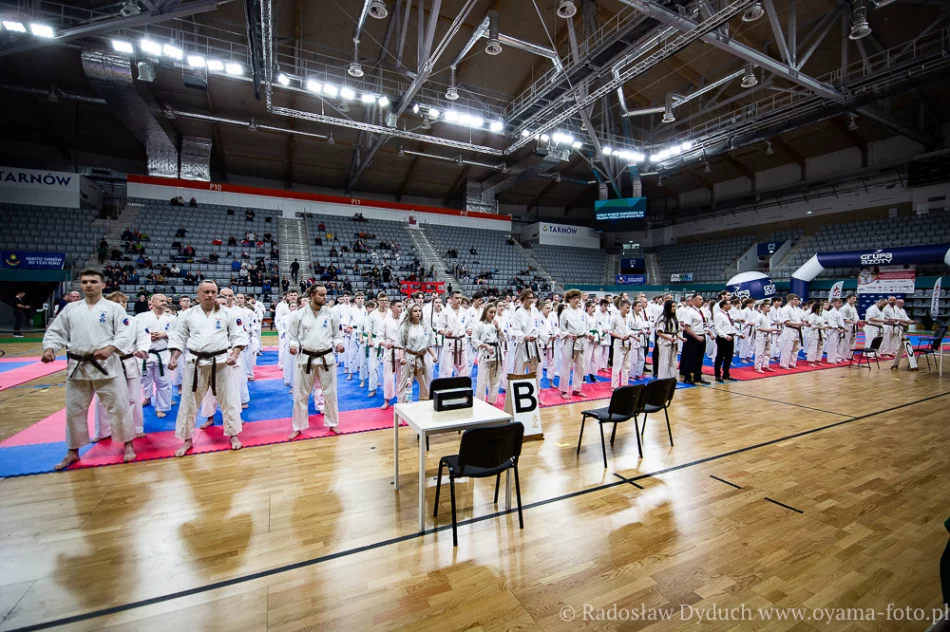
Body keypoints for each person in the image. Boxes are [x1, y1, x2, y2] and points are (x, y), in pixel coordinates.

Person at [41, 270, 138, 469]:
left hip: (107, 365)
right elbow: (56, 331)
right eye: (84, 282)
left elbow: (125, 333)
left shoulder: (114, 309)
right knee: (74, 410)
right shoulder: (70, 309)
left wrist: (111, 348)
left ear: (103, 285)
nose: (88, 285)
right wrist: (50, 348)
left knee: (119, 407)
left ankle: (128, 444)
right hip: (78, 365)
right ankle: (73, 451)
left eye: (93, 281)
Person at [167, 280, 247, 457]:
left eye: (213, 292)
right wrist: (174, 357)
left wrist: (234, 354)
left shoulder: (228, 314)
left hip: (221, 362)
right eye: (206, 292)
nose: (210, 295)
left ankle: (233, 434)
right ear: (198, 294)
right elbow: (178, 337)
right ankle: (187, 439)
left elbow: (238, 337)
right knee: (189, 402)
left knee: (229, 400)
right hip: (195, 363)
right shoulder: (187, 315)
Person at [286, 284, 345, 439]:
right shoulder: (298, 315)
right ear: (312, 295)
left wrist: (339, 344)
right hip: (306, 358)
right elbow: (292, 337)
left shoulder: (332, 314)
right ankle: (298, 426)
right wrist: (293, 346)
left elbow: (337, 334)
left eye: (325, 294)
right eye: (321, 295)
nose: (325, 297)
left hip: (326, 357)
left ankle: (333, 423)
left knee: (330, 393)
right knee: (301, 394)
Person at [136, 293, 174, 418]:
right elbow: (134, 332)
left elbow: (179, 334)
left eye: (165, 300)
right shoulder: (140, 317)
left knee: (163, 382)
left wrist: (165, 334)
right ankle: (147, 397)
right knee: (145, 379)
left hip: (163, 353)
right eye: (161, 300)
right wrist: (148, 336)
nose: (164, 302)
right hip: (146, 353)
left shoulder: (172, 318)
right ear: (152, 303)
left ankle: (160, 407)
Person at [396, 303, 436, 402]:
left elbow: (429, 344)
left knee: (425, 383)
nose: (418, 313)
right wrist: (402, 358)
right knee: (405, 383)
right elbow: (400, 345)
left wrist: (434, 355)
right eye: (415, 311)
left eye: (419, 311)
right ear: (410, 312)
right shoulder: (404, 326)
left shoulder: (426, 326)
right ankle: (401, 407)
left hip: (423, 357)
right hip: (409, 357)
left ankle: (424, 404)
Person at [558, 289, 592, 399]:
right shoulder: (565, 313)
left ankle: (577, 389)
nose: (577, 300)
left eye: (578, 298)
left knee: (581, 367)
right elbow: (562, 329)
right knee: (566, 366)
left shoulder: (582, 313)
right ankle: (564, 390)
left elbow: (585, 327)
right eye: (574, 298)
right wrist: (568, 334)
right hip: (570, 341)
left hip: (581, 341)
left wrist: (587, 334)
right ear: (569, 300)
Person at [472, 301, 504, 403]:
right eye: (491, 312)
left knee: (495, 380)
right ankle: (480, 402)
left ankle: (491, 401)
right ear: (485, 312)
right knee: (482, 380)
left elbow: (504, 338)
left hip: (497, 352)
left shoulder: (496, 324)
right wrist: (485, 345)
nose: (493, 314)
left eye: (494, 312)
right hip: (485, 353)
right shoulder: (479, 325)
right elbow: (474, 339)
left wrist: (498, 328)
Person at [436, 291, 471, 378]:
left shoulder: (465, 311)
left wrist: (469, 330)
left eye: (460, 298)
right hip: (450, 341)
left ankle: (462, 387)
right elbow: (439, 327)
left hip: (462, 341)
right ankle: (445, 389)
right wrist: (445, 332)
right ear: (451, 299)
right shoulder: (445, 312)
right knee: (447, 369)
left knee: (463, 368)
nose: (459, 300)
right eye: (456, 298)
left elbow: (468, 325)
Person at [678, 294, 709, 385]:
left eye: (702, 299)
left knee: (700, 358)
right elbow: (687, 327)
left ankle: (697, 376)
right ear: (694, 300)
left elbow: (703, 324)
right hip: (693, 337)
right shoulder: (690, 312)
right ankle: (687, 377)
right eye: (699, 299)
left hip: (701, 335)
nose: (701, 301)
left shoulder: (701, 311)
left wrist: (708, 333)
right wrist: (696, 337)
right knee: (690, 358)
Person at [379, 298, 404, 411]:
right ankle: (387, 400)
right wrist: (385, 344)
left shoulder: (404, 320)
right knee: (388, 377)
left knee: (401, 377)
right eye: (398, 306)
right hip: (389, 351)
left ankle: (401, 399)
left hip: (402, 351)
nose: (401, 308)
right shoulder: (385, 321)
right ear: (392, 307)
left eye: (401, 306)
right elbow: (379, 337)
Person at [609, 298, 634, 388]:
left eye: (629, 308)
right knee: (617, 366)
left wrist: (633, 336)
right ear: (620, 307)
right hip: (619, 343)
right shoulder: (614, 318)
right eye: (626, 308)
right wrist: (620, 336)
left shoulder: (628, 318)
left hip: (628, 343)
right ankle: (614, 386)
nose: (628, 310)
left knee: (626, 366)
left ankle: (625, 384)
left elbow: (630, 330)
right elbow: (610, 331)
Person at [654, 299, 682, 380]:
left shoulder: (674, 318)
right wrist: (669, 338)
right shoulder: (663, 318)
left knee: (673, 362)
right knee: (664, 362)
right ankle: (662, 380)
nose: (674, 308)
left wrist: (681, 338)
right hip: (665, 342)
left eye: (675, 306)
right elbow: (659, 332)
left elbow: (676, 332)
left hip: (673, 341)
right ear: (668, 307)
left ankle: (671, 380)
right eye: (672, 306)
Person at [713, 300, 740, 382]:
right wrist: (725, 336)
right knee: (720, 357)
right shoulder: (719, 315)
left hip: (730, 336)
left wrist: (739, 334)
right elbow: (717, 328)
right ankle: (717, 375)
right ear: (724, 305)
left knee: (729, 357)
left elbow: (731, 326)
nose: (730, 305)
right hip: (723, 338)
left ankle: (726, 373)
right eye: (729, 304)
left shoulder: (729, 314)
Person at [779, 294, 806, 369]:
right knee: (787, 348)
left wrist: (802, 322)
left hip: (797, 330)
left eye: (797, 299)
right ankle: (784, 364)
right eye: (795, 299)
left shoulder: (796, 309)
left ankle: (792, 363)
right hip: (789, 330)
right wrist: (798, 323)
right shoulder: (785, 309)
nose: (797, 301)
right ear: (790, 300)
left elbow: (800, 318)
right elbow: (786, 322)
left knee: (796, 348)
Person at [753, 302, 779, 373]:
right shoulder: (759, 316)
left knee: (768, 352)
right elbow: (757, 327)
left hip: (768, 335)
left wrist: (774, 329)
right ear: (762, 308)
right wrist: (768, 330)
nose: (769, 309)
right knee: (759, 352)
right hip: (761, 336)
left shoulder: (768, 316)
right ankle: (757, 367)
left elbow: (768, 326)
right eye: (767, 307)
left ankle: (765, 365)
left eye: (769, 307)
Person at [804, 301, 827, 366]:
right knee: (813, 347)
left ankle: (818, 360)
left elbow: (822, 324)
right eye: (820, 308)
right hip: (813, 332)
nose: (821, 309)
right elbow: (810, 324)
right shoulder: (811, 315)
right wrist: (819, 326)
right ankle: (810, 361)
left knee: (820, 347)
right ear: (816, 308)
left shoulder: (820, 316)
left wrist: (824, 326)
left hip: (821, 332)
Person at [840, 294, 859, 359]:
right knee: (846, 341)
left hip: (854, 325)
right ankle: (843, 356)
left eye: (855, 299)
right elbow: (844, 319)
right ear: (848, 299)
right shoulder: (844, 308)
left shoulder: (854, 307)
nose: (854, 300)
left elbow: (856, 316)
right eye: (853, 299)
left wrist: (856, 321)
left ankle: (850, 356)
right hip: (847, 325)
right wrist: (852, 322)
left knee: (853, 341)